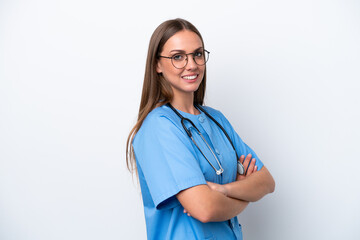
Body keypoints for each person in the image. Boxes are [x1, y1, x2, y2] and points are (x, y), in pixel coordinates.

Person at [126, 18, 275, 240]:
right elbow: (205, 209)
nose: (192, 64)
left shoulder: (216, 119)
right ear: (157, 65)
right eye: (178, 57)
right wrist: (245, 194)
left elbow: (266, 182)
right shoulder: (159, 127)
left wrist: (224, 190)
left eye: (197, 54)